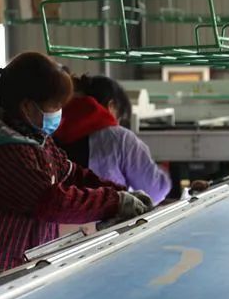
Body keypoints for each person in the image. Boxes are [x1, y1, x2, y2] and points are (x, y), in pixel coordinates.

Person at [0, 53, 152, 277]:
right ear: (27, 107)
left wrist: (121, 193)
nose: (59, 114)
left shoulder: (31, 138)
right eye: (55, 106)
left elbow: (70, 172)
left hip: (15, 264)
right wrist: (115, 202)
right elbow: (51, 201)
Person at [55, 74, 171, 204]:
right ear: (111, 106)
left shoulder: (51, 131)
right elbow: (155, 191)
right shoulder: (119, 138)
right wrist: (166, 171)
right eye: (119, 118)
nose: (117, 124)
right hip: (104, 215)